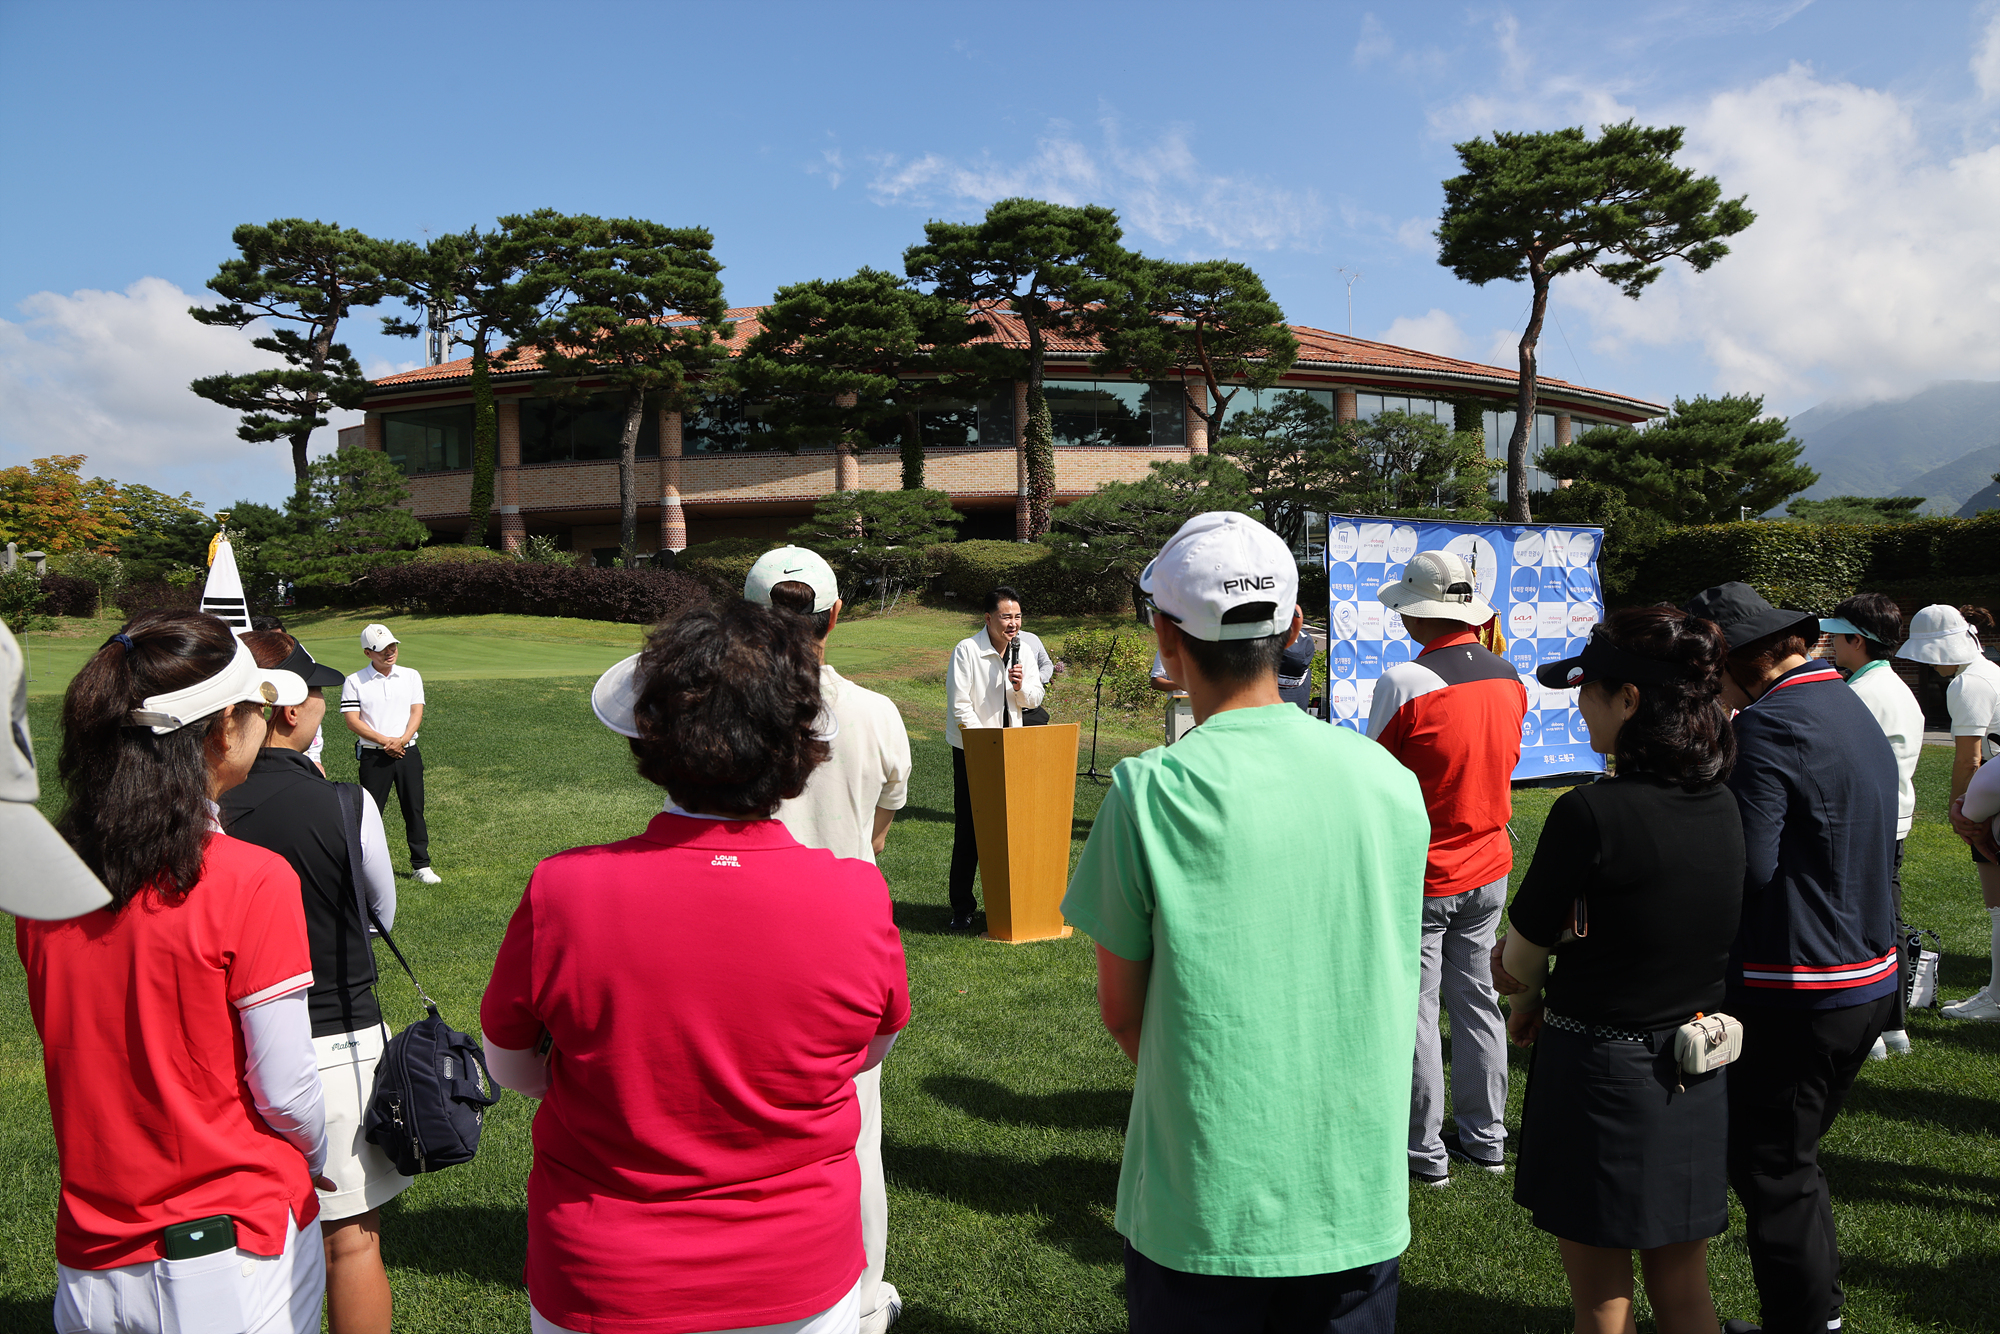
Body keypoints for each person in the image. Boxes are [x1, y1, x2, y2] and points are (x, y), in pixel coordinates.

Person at [482, 600, 910, 1334]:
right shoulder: (855, 893)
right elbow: (866, 1053)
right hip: (798, 1275)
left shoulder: (566, 889)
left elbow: (512, 1066)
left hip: (606, 1276)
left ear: (654, 738)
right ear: (796, 745)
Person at [1063, 511, 1428, 1333]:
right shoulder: (1386, 779)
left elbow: (1124, 1013)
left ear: (1165, 635)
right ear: (1297, 627)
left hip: (1204, 1200)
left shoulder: (1149, 790)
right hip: (1354, 1194)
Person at [18, 612, 331, 1334]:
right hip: (229, 1248)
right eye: (255, 709)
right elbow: (285, 1089)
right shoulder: (251, 879)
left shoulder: (44, 881)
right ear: (225, 728)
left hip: (94, 1250)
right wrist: (317, 1148)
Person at [1494, 608, 1745, 1334]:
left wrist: (1528, 987)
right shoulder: (1724, 804)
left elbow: (1518, 956)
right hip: (1695, 1063)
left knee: (1602, 1303)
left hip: (1603, 1069)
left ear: (1629, 699)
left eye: (1589, 689)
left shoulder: (1589, 814)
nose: (1580, 705)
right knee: (1687, 1292)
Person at [1684, 582, 1898, 1334]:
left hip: (1805, 984)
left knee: (1774, 1168)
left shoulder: (1773, 726)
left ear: (1745, 659)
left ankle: (1807, 1323)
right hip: (1860, 971)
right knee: (1790, 1163)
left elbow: (1749, 867)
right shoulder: (1841, 700)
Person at [744, 545, 913, 1334]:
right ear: (835, 617)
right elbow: (878, 833)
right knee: (855, 1135)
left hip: (744, 943)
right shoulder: (876, 713)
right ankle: (863, 1294)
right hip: (844, 951)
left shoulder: (725, 711)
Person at [224, 630, 411, 1334]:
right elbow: (380, 914)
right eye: (316, 694)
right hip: (336, 1037)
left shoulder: (198, 805)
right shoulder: (345, 803)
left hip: (227, 1042)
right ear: (288, 712)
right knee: (350, 1239)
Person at [1368, 549, 1526, 1184]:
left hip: (1424, 869)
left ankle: (1423, 1149)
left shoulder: (1405, 682)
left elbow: (1375, 776)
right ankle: (1487, 1137)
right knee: (1479, 1001)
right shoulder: (1509, 675)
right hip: (1489, 861)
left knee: (1418, 1009)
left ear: (1415, 615)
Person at [1822, 594, 1925, 1057]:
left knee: (1862, 920)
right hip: (1891, 817)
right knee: (1887, 915)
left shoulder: (1859, 694)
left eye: (1835, 636)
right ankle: (1891, 1026)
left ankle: (1873, 1025)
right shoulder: (1895, 687)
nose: (1829, 645)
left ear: (1856, 641)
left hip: (1865, 822)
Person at [1898, 604, 2000, 1020]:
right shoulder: (1990, 670)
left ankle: (1997, 997)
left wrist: (1962, 813)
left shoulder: (1967, 684)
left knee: (1997, 903)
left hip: (1994, 796)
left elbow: (1968, 760)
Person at [943, 585, 1044, 929]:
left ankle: (1007, 903)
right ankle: (962, 909)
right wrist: (984, 746)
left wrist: (1019, 688)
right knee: (970, 830)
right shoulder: (967, 651)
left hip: (1011, 750)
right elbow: (961, 706)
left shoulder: (1023, 652)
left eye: (1017, 617)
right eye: (1006, 617)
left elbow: (1033, 699)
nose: (1012, 623)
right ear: (988, 619)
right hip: (973, 751)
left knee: (1010, 830)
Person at [339, 622, 437, 883]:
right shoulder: (354, 681)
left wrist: (402, 740)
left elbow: (417, 711)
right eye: (382, 648)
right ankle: (364, 866)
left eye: (392, 645)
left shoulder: (411, 675)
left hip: (408, 752)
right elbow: (352, 721)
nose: (390, 651)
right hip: (373, 756)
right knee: (371, 813)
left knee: (414, 808)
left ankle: (421, 865)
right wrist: (386, 742)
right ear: (368, 653)